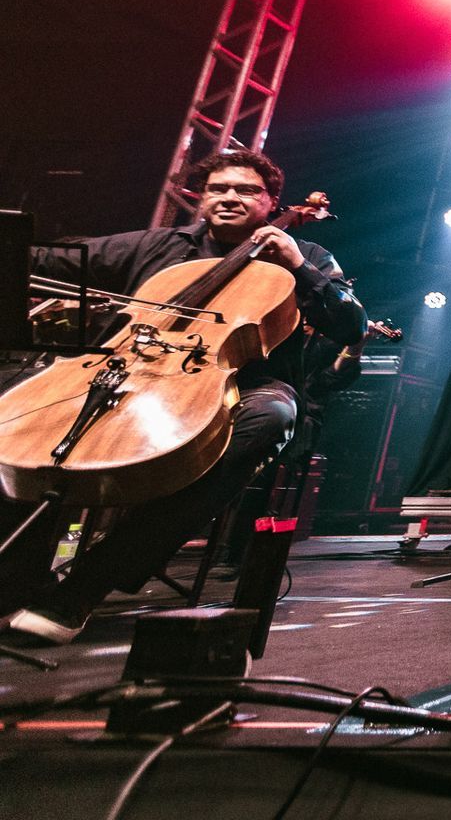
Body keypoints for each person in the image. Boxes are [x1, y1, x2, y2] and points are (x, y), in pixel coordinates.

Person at [0, 149, 365, 643]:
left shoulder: (309, 257)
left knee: (272, 415)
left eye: (247, 190)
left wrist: (300, 267)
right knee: (17, 412)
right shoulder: (158, 245)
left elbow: (349, 323)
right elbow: (49, 261)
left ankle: (87, 584)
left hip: (238, 385)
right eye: (219, 189)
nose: (231, 197)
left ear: (271, 201)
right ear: (201, 197)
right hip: (127, 371)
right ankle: (17, 578)